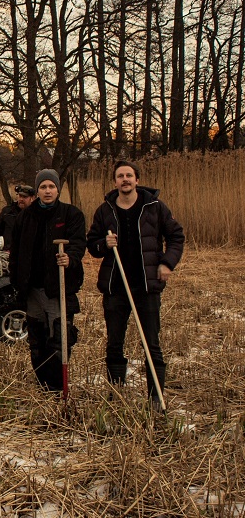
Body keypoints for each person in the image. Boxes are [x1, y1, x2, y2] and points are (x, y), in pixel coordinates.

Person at [86, 160, 184, 405]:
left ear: (137, 180)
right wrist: (103, 245)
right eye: (120, 176)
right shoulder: (105, 210)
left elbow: (176, 236)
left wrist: (167, 263)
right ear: (115, 181)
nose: (125, 179)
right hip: (115, 287)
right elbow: (92, 244)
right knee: (114, 344)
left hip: (146, 286)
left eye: (129, 175)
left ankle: (155, 398)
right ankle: (116, 395)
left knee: (152, 343)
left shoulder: (155, 207)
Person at [9, 169, 86, 392]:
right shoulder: (25, 216)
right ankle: (42, 383)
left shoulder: (71, 215)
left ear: (58, 189)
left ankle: (57, 386)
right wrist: (18, 283)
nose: (48, 190)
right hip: (32, 289)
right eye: (43, 187)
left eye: (51, 186)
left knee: (59, 337)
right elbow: (16, 254)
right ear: (37, 191)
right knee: (37, 340)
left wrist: (70, 258)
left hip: (57, 287)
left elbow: (79, 244)